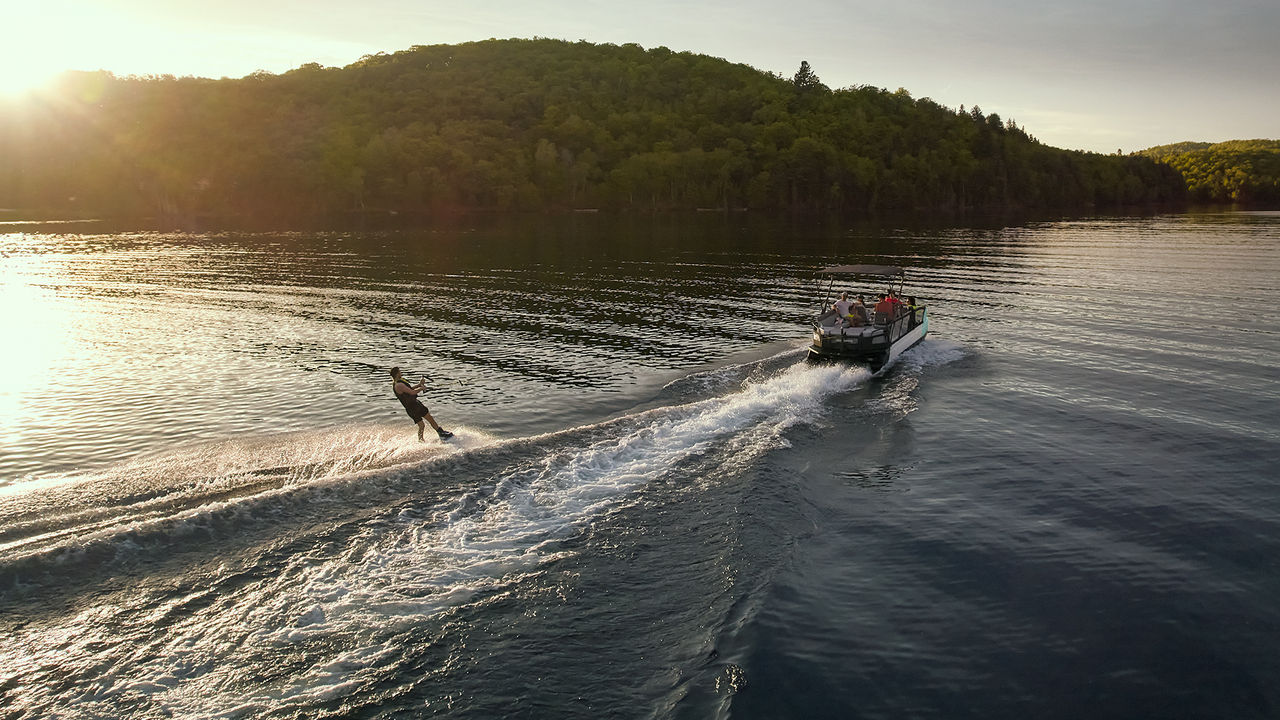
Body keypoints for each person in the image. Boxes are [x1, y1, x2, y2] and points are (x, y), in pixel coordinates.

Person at [390, 367, 453, 442]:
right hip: (412, 408)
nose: (401, 373)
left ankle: (441, 433)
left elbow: (410, 389)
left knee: (429, 418)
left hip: (415, 405)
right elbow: (412, 392)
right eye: (400, 372)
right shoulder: (398, 385)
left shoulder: (399, 383)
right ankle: (421, 440)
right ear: (397, 373)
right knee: (422, 425)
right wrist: (421, 389)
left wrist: (419, 385)